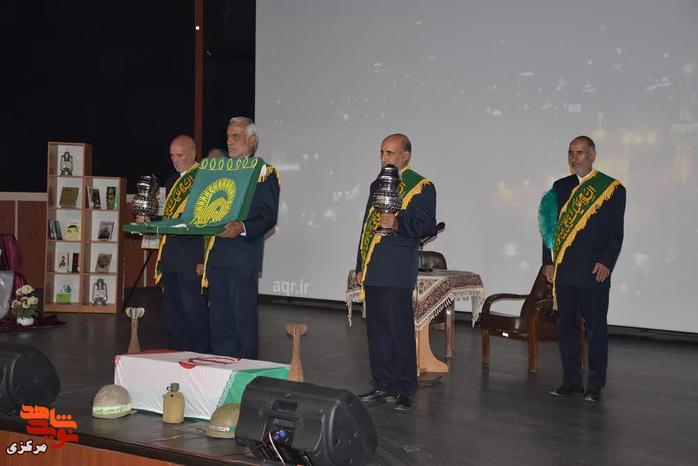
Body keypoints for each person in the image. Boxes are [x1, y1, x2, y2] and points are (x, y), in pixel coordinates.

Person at [355, 133, 437, 411]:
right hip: (375, 266)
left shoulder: (422, 186)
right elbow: (366, 228)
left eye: (389, 153)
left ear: (405, 157)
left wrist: (398, 224)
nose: (384, 158)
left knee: (398, 329)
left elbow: (427, 225)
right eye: (381, 152)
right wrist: (360, 265)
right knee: (376, 330)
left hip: (398, 267)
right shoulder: (377, 185)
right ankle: (382, 385)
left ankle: (404, 389)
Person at [541, 135, 626, 402]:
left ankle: (595, 385)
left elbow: (616, 233)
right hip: (565, 270)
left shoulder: (612, 189)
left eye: (579, 152)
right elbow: (549, 228)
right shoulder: (560, 187)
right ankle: (572, 381)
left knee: (596, 331)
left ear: (592, 154)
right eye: (571, 153)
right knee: (566, 329)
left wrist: (607, 262)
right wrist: (548, 261)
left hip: (594, 272)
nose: (574, 158)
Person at [204, 117, 280, 359]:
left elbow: (268, 216)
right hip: (217, 254)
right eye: (228, 136)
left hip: (243, 256)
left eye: (236, 136)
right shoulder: (219, 170)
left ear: (252, 140)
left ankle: (246, 370)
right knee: (219, 319)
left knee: (242, 318)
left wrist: (242, 227)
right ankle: (221, 365)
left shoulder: (264, 172)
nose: (229, 142)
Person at [151, 135, 210, 353]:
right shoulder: (171, 181)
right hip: (172, 255)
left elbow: (208, 222)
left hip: (192, 256)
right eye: (172, 156)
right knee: (173, 310)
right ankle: (177, 355)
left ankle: (200, 355)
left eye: (180, 155)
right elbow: (170, 219)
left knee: (194, 310)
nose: (175, 160)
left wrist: (203, 259)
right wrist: (150, 219)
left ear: (193, 154)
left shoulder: (204, 179)